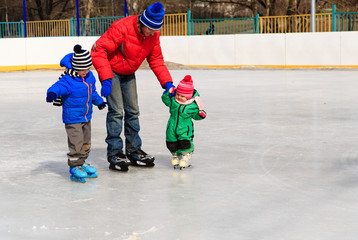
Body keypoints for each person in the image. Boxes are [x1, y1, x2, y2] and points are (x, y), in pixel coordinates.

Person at [91, 2, 175, 171]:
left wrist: (167, 83)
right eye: (150, 29)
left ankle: (133, 149)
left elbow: (156, 60)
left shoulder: (153, 35)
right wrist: (106, 78)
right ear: (143, 23)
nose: (153, 33)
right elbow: (98, 49)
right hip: (112, 71)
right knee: (116, 111)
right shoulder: (122, 28)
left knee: (133, 111)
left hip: (128, 72)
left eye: (155, 30)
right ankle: (115, 152)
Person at [46, 44, 107, 183]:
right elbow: (58, 87)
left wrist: (99, 102)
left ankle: (82, 162)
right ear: (76, 67)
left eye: (88, 68)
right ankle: (74, 166)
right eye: (82, 69)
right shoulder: (68, 79)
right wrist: (52, 93)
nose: (86, 71)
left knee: (86, 142)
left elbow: (92, 92)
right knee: (76, 142)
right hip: (72, 118)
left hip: (86, 116)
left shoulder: (89, 77)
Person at [161, 75, 207, 169]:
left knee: (184, 142)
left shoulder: (192, 105)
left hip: (185, 128)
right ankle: (175, 155)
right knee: (171, 142)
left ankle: (186, 156)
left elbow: (195, 115)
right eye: (178, 94)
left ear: (188, 96)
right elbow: (166, 100)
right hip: (172, 126)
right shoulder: (173, 101)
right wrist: (167, 93)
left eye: (182, 96)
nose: (179, 97)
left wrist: (200, 115)